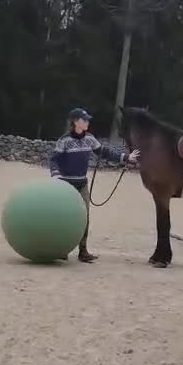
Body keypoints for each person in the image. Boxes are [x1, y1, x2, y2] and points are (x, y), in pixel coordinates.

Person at [50, 107, 139, 263]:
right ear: (76, 122)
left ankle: (82, 251)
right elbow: (54, 160)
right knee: (63, 218)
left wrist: (126, 157)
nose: (87, 122)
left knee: (84, 218)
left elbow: (104, 152)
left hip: (82, 184)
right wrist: (56, 175)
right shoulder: (64, 140)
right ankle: (61, 249)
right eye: (84, 120)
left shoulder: (90, 138)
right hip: (65, 185)